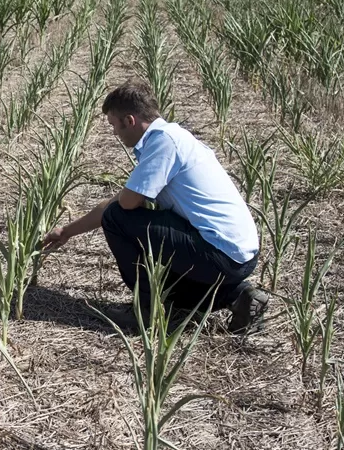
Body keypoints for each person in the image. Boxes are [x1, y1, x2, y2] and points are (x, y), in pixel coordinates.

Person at [40, 80, 268, 334]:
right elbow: (118, 200)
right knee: (174, 295)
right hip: (238, 256)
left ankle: (147, 310)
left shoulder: (164, 143)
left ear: (129, 120)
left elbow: (123, 205)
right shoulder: (175, 137)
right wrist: (67, 231)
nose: (115, 133)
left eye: (114, 125)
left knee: (119, 218)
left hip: (220, 253)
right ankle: (239, 295)